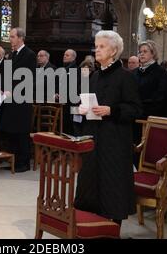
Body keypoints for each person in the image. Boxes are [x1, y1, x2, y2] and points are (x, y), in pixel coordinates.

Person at [75, 30, 142, 224]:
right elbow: (91, 104)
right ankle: (88, 225)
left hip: (114, 142)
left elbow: (136, 109)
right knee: (89, 182)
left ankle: (111, 228)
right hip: (93, 138)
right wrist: (83, 109)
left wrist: (111, 110)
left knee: (111, 186)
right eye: (96, 46)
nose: (97, 50)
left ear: (113, 51)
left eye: (102, 46)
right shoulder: (94, 76)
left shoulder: (125, 77)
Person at [0, 28, 37, 173]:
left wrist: (13, 90)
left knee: (21, 132)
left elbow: (28, 78)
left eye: (12, 37)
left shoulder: (29, 54)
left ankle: (24, 162)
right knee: (11, 131)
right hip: (10, 99)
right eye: (10, 37)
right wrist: (3, 88)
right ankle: (14, 159)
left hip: (21, 100)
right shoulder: (12, 55)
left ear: (21, 38)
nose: (10, 40)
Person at [60, 49, 79, 135]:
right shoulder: (64, 69)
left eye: (67, 55)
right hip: (64, 103)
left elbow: (74, 88)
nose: (64, 56)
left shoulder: (76, 70)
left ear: (73, 58)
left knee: (71, 126)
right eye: (64, 54)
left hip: (72, 103)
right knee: (64, 126)